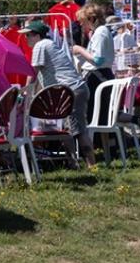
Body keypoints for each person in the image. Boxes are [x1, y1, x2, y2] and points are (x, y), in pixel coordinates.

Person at [22, 20, 93, 167]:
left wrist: (24, 91)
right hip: (74, 89)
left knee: (78, 130)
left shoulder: (40, 46)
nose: (26, 38)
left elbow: (33, 73)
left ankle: (92, 165)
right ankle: (73, 162)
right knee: (66, 128)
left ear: (37, 36)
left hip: (71, 90)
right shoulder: (48, 44)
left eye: (28, 35)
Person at [72, 3, 115, 120]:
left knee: (93, 117)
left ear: (91, 19)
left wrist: (79, 49)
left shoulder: (100, 32)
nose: (81, 24)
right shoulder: (100, 31)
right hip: (100, 77)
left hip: (97, 79)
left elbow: (98, 60)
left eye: (82, 20)